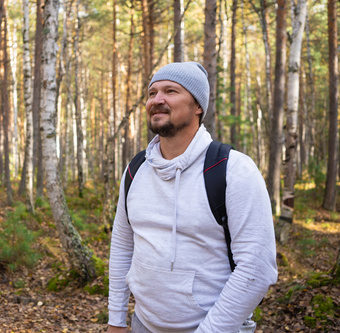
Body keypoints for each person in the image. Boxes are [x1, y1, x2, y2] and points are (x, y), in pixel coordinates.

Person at [107, 62, 278, 333]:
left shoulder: (233, 170)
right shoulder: (136, 169)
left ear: (198, 106)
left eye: (171, 91)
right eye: (152, 93)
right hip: (143, 325)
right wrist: (116, 319)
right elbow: (122, 245)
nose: (157, 100)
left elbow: (257, 268)